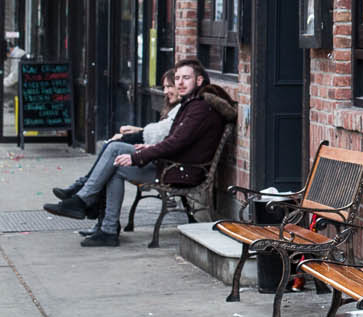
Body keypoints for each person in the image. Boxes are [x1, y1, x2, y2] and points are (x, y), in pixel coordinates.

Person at [44, 59, 234, 247]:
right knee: (115, 151)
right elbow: (175, 140)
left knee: (116, 156)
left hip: (181, 171)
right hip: (172, 164)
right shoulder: (192, 103)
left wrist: (137, 157)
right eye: (177, 78)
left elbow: (176, 143)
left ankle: (89, 207)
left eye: (186, 78)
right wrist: (147, 148)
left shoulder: (199, 108)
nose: (180, 83)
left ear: (199, 81)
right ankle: (100, 221)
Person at [50, 68, 180, 230]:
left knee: (113, 151)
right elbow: (161, 133)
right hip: (158, 160)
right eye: (165, 87)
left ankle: (90, 204)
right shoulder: (177, 109)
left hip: (165, 167)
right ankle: (104, 224)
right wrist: (136, 130)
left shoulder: (184, 110)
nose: (167, 91)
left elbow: (164, 137)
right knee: (111, 152)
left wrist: (131, 137)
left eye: (170, 87)